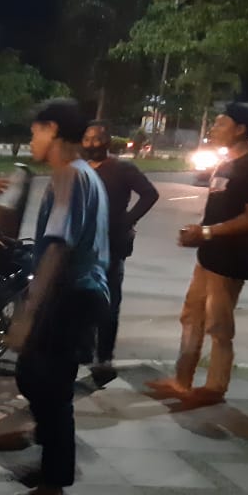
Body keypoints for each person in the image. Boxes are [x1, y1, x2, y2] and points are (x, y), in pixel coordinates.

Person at [0, 99, 109, 495]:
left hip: (72, 295)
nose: (32, 139)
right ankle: (50, 464)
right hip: (78, 294)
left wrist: (27, 314)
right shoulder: (81, 174)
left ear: (53, 130)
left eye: (35, 131)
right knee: (35, 378)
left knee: (51, 389)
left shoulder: (69, 176)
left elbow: (58, 248)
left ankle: (52, 488)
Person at [155, 103, 248, 405]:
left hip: (231, 260)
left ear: (241, 129)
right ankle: (181, 381)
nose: (214, 129)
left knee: (219, 327)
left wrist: (206, 232)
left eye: (221, 124)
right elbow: (219, 211)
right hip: (207, 258)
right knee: (190, 317)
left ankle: (215, 388)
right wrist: (198, 232)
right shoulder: (224, 164)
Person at [82, 121, 159, 383]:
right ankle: (83, 350)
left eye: (97, 138)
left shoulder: (123, 168)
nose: (92, 144)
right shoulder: (79, 169)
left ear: (107, 141)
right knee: (80, 300)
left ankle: (104, 357)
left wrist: (126, 221)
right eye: (87, 139)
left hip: (112, 246)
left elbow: (149, 194)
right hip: (82, 246)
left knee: (109, 302)